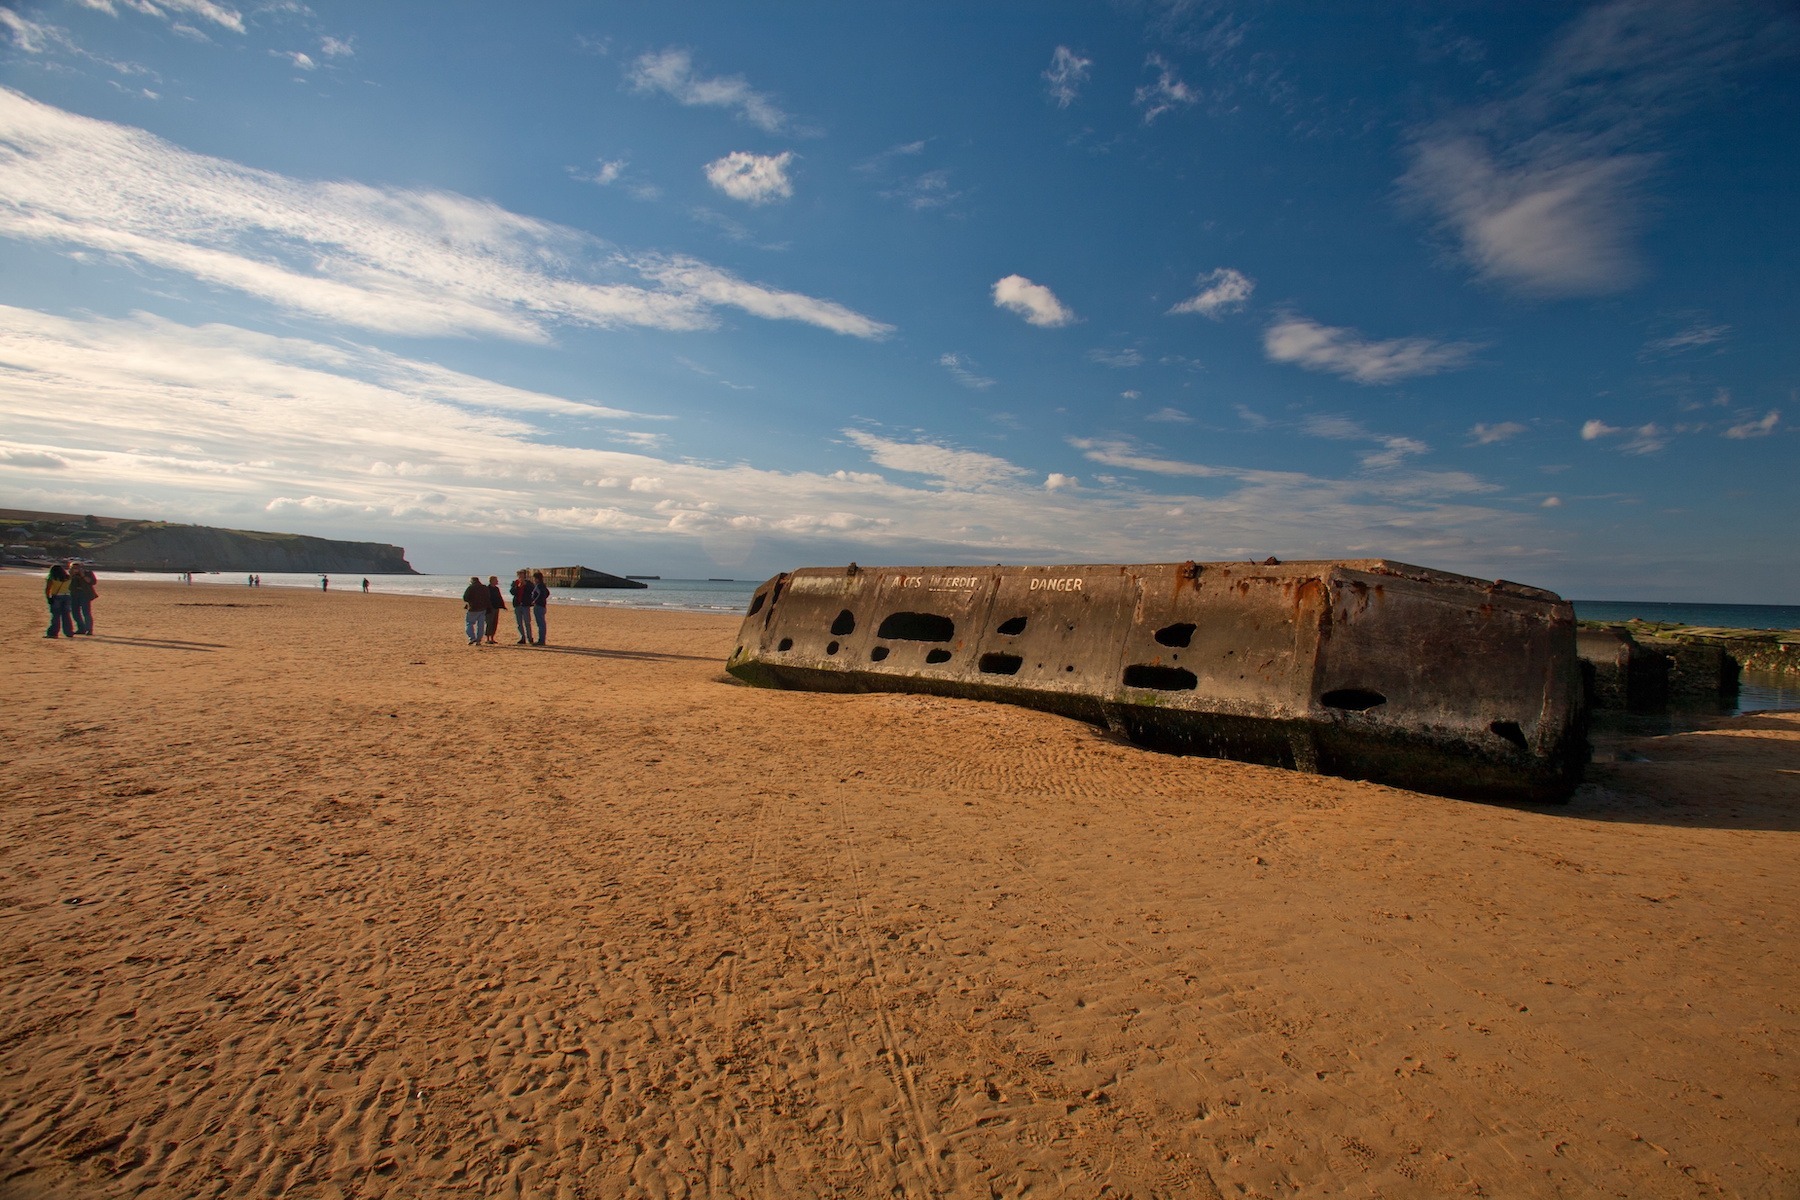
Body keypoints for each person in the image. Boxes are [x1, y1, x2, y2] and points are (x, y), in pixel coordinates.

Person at [44, 563, 75, 638]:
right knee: (66, 615)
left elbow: (48, 589)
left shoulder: (52, 578)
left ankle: (53, 633)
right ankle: (69, 632)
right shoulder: (68, 577)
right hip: (67, 596)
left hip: (57, 596)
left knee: (56, 616)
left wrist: (48, 598)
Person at [461, 575, 491, 645]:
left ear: (471, 581)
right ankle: (478, 640)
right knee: (481, 625)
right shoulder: (484, 587)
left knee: (469, 623)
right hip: (483, 608)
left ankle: (472, 638)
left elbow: (465, 598)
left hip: (473, 608)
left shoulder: (470, 588)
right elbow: (488, 597)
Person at [68, 563, 97, 636]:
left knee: (86, 612)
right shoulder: (70, 575)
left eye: (77, 568)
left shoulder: (88, 573)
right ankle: (81, 628)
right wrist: (71, 575)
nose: (75, 569)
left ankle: (89, 629)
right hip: (74, 594)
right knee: (75, 613)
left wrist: (83, 575)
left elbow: (92, 582)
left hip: (85, 594)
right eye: (73, 568)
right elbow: (67, 584)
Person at [509, 570, 533, 644]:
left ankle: (530, 638)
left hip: (525, 605)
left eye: (522, 575)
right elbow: (512, 592)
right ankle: (523, 637)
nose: (520, 577)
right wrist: (517, 587)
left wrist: (525, 585)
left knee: (527, 622)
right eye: (519, 575)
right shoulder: (515, 583)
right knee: (519, 623)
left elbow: (532, 590)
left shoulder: (529, 583)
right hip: (517, 605)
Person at [529, 570, 549, 646]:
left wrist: (535, 601)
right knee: (542, 623)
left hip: (539, 606)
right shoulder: (543, 585)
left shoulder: (538, 585)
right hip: (543, 605)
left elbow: (540, 594)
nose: (534, 580)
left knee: (540, 624)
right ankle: (542, 639)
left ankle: (541, 640)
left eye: (534, 579)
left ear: (537, 579)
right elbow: (547, 593)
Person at [483, 575, 505, 645]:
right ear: (492, 581)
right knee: (489, 623)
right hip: (489, 608)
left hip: (496, 607)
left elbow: (499, 597)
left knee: (494, 623)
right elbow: (486, 599)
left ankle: (492, 638)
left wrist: (503, 606)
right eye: (496, 580)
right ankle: (488, 638)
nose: (497, 581)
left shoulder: (496, 589)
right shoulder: (487, 588)